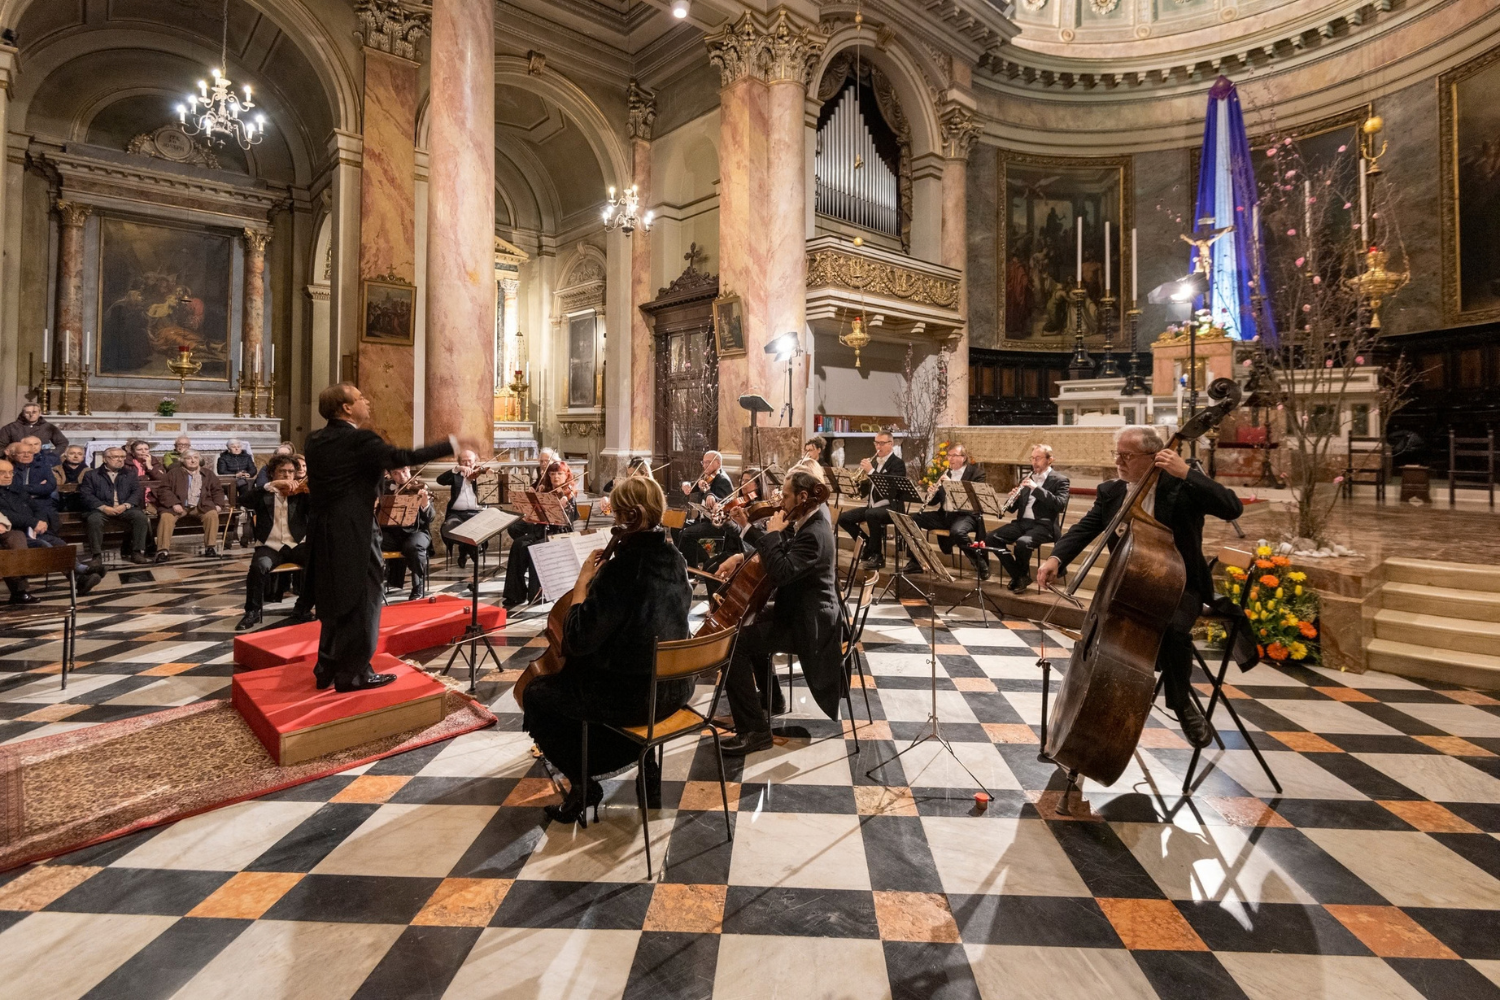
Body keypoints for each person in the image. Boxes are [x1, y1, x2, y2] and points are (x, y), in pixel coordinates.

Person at [1036, 425, 1243, 750]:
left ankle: (1181, 704)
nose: (1118, 461)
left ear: (1155, 456)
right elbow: (1084, 528)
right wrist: (1056, 559)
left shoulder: (1181, 487)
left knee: (1171, 627)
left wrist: (1186, 472)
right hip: (1128, 587)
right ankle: (1096, 719)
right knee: (1107, 638)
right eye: (1117, 454)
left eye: (1127, 456)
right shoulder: (1111, 491)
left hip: (1181, 584)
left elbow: (1233, 507)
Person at [521, 476, 692, 823]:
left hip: (635, 700)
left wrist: (582, 584)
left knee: (537, 693)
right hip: (674, 689)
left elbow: (578, 639)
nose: (613, 519)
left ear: (627, 516)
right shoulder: (674, 557)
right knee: (616, 665)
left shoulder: (622, 569)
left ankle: (584, 783)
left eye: (616, 513)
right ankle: (646, 760)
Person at [305, 382, 472, 692]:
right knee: (364, 598)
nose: (367, 401)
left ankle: (326, 665)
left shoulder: (314, 440)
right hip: (355, 529)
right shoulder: (360, 440)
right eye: (360, 397)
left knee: (333, 595)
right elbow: (404, 456)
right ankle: (354, 673)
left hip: (322, 529)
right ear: (346, 408)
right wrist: (451, 444)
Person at [714, 470, 843, 755]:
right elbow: (783, 554)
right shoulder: (812, 520)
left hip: (809, 624)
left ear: (803, 496)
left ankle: (754, 731)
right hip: (800, 609)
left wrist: (772, 533)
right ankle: (772, 699)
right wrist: (745, 539)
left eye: (785, 496)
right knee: (747, 621)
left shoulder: (814, 533)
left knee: (732, 645)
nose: (780, 502)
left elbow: (781, 572)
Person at [975, 444, 1070, 593]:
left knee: (1022, 543)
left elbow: (1059, 505)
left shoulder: (1060, 480)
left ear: (1050, 460)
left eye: (1038, 458)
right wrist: (1013, 498)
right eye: (1032, 458)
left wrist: (1036, 489)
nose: (1034, 462)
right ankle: (1020, 576)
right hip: (1022, 523)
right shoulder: (1026, 479)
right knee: (991, 538)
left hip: (1044, 525)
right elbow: (1012, 509)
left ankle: (1018, 578)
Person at [237, 454, 313, 631]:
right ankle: (252, 612)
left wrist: (309, 491)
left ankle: (303, 608)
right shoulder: (264, 492)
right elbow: (242, 500)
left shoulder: (301, 493)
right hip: (270, 546)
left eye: (291, 472)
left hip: (296, 544)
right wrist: (268, 486)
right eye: (282, 471)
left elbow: (317, 507)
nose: (287, 475)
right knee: (259, 567)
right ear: (272, 473)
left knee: (318, 563)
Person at [908, 442, 989, 579]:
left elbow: (974, 500)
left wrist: (950, 484)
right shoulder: (945, 473)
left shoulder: (976, 474)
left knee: (958, 532)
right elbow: (933, 502)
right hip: (945, 515)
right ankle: (915, 561)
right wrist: (931, 493)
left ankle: (978, 561)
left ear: (963, 457)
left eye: (954, 455)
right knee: (911, 519)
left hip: (966, 516)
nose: (950, 459)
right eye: (949, 455)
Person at [502, 459, 577, 607]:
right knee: (518, 545)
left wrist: (562, 506)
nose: (555, 477)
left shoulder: (569, 494)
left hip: (559, 534)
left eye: (559, 473)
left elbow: (569, 520)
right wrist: (531, 505)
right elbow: (534, 517)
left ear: (566, 475)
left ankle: (537, 594)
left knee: (537, 548)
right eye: (552, 474)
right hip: (540, 531)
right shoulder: (544, 491)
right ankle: (515, 594)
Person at [836, 429, 907, 570]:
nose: (878, 447)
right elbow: (866, 491)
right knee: (843, 518)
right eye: (876, 443)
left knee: (871, 514)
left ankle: (877, 556)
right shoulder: (874, 463)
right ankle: (867, 543)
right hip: (873, 507)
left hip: (892, 508)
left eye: (882, 443)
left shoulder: (897, 463)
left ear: (891, 444)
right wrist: (855, 486)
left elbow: (891, 490)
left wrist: (871, 472)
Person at [80, 446, 152, 566]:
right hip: (101, 509)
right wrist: (103, 507)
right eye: (115, 457)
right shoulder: (92, 475)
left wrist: (125, 505)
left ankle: (137, 551)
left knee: (140, 517)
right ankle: (96, 555)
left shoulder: (130, 474)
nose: (120, 460)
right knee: (94, 520)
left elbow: (136, 492)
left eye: (122, 457)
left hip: (124, 507)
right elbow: (86, 494)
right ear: (105, 459)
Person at [154, 450, 228, 560]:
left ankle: (210, 547)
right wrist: (174, 503)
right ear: (182, 460)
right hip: (179, 506)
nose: (193, 460)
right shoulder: (173, 473)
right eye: (189, 458)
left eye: (196, 458)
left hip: (201, 505)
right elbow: (164, 490)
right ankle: (162, 551)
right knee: (166, 517)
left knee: (212, 514)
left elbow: (217, 490)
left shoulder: (208, 474)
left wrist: (218, 504)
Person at [380, 466, 434, 600]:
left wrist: (425, 504)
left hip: (417, 532)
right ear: (390, 474)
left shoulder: (421, 487)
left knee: (413, 547)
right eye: (396, 473)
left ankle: (418, 586)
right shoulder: (384, 487)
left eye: (404, 471)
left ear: (409, 469)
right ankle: (374, 584)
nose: (402, 476)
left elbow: (430, 517)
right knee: (370, 541)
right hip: (392, 534)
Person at [675, 450, 733, 569]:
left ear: (718, 463)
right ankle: (692, 559)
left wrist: (709, 493)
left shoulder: (723, 480)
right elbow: (693, 485)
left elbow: (723, 503)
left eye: (708, 462)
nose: (704, 465)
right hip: (702, 520)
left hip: (715, 524)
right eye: (703, 462)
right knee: (676, 526)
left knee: (686, 534)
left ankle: (692, 567)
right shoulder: (707, 477)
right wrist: (686, 484)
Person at [437, 449, 485, 568]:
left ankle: (464, 550)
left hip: (477, 513)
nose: (467, 464)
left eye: (470, 461)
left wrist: (479, 477)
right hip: (456, 514)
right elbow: (440, 480)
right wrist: (457, 469)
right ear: (459, 462)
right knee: (448, 527)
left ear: (475, 461)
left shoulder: (482, 475)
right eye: (464, 461)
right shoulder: (456, 475)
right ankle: (469, 549)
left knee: (475, 527)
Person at [7, 441, 60, 525]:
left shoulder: (43, 467)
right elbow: (9, 487)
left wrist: (24, 487)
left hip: (41, 504)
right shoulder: (8, 468)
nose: (26, 455)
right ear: (14, 454)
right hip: (17, 505)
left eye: (30, 452)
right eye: (22, 453)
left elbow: (50, 486)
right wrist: (37, 487)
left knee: (49, 519)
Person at [0, 403, 68, 452]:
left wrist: (53, 455)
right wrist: (10, 455)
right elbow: (1, 445)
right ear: (23, 414)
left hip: (42, 461)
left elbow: (62, 442)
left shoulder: (48, 427)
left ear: (39, 413)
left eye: (34, 412)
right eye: (27, 412)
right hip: (18, 461)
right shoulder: (10, 428)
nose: (31, 415)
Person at [53, 445, 90, 513]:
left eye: (79, 454)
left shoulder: (90, 472)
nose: (76, 456)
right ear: (65, 455)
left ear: (83, 457)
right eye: (72, 453)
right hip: (60, 502)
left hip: (82, 502)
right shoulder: (55, 470)